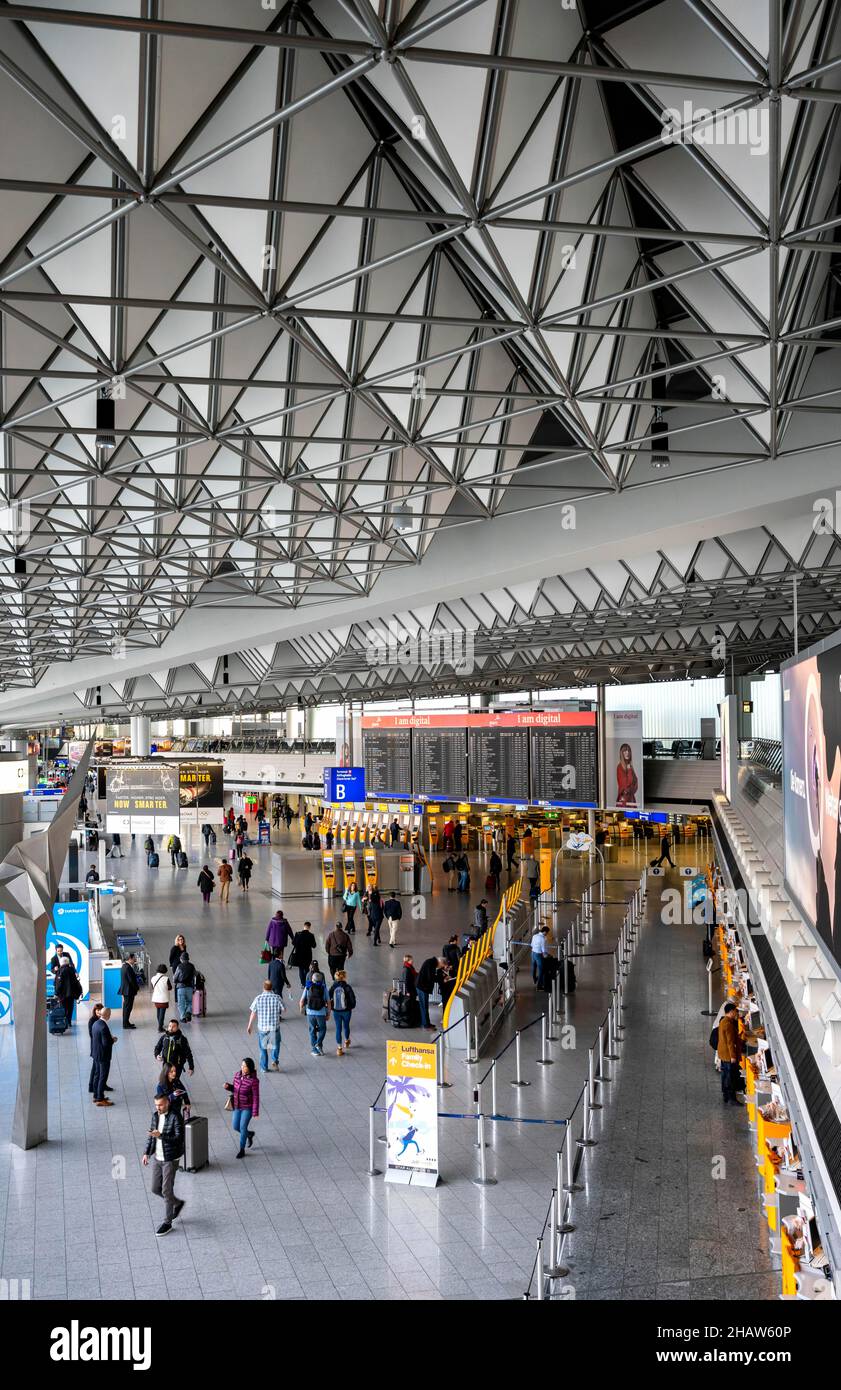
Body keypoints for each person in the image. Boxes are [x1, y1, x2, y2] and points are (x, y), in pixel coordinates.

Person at [142, 1094, 185, 1235]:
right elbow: (151, 1136)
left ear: (167, 1103)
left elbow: (178, 1138)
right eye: (156, 1105)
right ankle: (177, 1203)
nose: (157, 1107)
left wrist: (160, 1136)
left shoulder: (175, 1116)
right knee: (155, 1188)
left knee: (166, 1190)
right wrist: (146, 1153)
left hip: (171, 1158)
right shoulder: (155, 1116)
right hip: (158, 1157)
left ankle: (168, 1223)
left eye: (160, 1105)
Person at [224, 1059, 260, 1159]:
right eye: (242, 1065)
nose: (242, 1068)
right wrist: (228, 1087)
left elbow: (256, 1097)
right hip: (237, 1105)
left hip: (247, 1108)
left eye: (245, 1066)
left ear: (250, 1068)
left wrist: (255, 1112)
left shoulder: (254, 1081)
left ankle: (242, 1149)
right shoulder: (237, 1075)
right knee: (236, 1126)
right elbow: (235, 1089)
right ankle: (249, 1134)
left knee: (243, 1127)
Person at [247, 980, 284, 1073]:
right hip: (274, 1028)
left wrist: (249, 1025)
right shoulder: (277, 998)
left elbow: (253, 1013)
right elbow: (284, 1009)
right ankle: (275, 1060)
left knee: (263, 1048)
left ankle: (264, 1068)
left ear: (263, 988)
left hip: (263, 1029)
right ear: (272, 988)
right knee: (276, 1045)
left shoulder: (258, 998)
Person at [299, 970, 330, 1056]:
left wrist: (301, 1009)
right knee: (322, 1029)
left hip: (310, 1013)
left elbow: (301, 1001)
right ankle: (318, 1044)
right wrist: (328, 1013)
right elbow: (328, 1002)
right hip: (321, 1012)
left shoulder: (308, 987)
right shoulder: (324, 988)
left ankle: (314, 1049)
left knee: (312, 1030)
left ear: (312, 979)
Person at [717, 1001, 743, 1105]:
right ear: (731, 1012)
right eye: (735, 1011)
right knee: (730, 1077)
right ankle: (732, 1098)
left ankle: (725, 1095)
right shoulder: (728, 1024)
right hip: (728, 1055)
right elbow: (730, 1043)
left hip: (723, 1054)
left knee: (724, 1075)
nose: (736, 1013)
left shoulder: (723, 1021)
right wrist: (733, 1056)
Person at [90, 1005, 117, 1104]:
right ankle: (100, 1098)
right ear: (108, 1015)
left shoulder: (96, 1023)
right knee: (103, 1076)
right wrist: (113, 1040)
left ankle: (96, 1095)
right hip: (103, 1056)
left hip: (96, 1053)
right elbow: (106, 1043)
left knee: (97, 1074)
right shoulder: (103, 1027)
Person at [329, 969, 356, 1056]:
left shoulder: (333, 987)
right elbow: (353, 1000)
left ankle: (339, 1048)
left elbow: (328, 998)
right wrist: (350, 1007)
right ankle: (347, 1041)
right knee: (346, 1026)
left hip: (336, 1011)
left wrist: (332, 1007)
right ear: (344, 977)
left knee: (338, 1028)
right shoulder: (348, 987)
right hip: (346, 1011)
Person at [417, 956, 444, 1031]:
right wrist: (442, 979)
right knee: (424, 1006)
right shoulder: (431, 964)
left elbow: (431, 976)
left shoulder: (431, 962)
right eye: (440, 966)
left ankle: (427, 1023)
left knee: (425, 1006)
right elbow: (431, 977)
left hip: (422, 986)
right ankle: (426, 1025)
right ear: (440, 962)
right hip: (422, 987)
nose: (439, 967)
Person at [55, 953, 81, 1028]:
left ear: (61, 963)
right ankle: (69, 1021)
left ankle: (64, 1022)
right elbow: (75, 981)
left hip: (63, 994)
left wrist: (56, 993)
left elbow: (59, 984)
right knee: (70, 1008)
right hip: (71, 993)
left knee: (63, 1008)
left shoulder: (60, 971)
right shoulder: (72, 970)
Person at [290, 921, 317, 988]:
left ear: (304, 926)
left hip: (299, 955)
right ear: (309, 927)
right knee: (307, 969)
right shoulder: (311, 935)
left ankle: (302, 983)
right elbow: (314, 946)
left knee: (301, 969)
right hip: (308, 955)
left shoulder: (298, 934)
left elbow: (293, 943)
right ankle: (307, 982)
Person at [118, 952, 140, 1029]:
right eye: (134, 958)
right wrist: (137, 988)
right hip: (128, 991)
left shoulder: (124, 966)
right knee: (128, 1008)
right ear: (130, 958)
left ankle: (126, 1022)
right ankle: (125, 1024)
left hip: (127, 990)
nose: (135, 959)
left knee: (127, 1007)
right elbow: (131, 980)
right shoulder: (128, 967)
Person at [173, 952, 197, 1021]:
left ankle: (183, 1017)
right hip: (189, 987)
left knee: (181, 1003)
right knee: (189, 1002)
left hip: (181, 988)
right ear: (188, 959)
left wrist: (175, 981)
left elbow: (175, 978)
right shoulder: (192, 966)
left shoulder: (179, 966)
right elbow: (195, 974)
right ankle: (188, 1013)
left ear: (181, 959)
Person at [615, 742, 638, 806]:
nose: (627, 753)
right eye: (625, 751)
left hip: (631, 798)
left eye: (628, 750)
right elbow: (626, 784)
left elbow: (636, 783)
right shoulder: (620, 767)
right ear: (621, 753)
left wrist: (631, 790)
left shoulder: (630, 766)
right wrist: (629, 770)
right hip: (624, 800)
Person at [151, 964, 172, 1032]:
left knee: (158, 1011)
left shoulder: (153, 978)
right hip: (163, 998)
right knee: (162, 1013)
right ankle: (160, 1028)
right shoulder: (166, 978)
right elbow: (170, 988)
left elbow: (152, 987)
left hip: (156, 998)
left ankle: (160, 1024)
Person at [531, 925, 549, 990]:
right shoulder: (543, 938)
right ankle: (539, 986)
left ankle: (534, 980)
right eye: (547, 933)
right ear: (545, 932)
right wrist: (546, 954)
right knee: (541, 970)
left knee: (534, 967)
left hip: (533, 953)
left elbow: (531, 944)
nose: (547, 934)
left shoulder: (534, 936)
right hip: (538, 954)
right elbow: (543, 949)